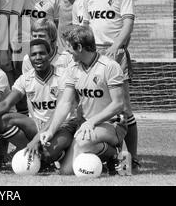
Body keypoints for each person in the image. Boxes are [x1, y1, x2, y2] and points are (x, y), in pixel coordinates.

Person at [0, 38, 77, 171]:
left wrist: (36, 139)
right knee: (4, 119)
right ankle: (28, 152)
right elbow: (6, 103)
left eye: (42, 53)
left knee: (47, 153)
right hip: (37, 125)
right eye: (34, 54)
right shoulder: (26, 79)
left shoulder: (63, 76)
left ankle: (60, 154)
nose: (38, 57)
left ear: (50, 54)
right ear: (29, 57)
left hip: (63, 125)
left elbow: (58, 112)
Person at [37, 25, 127, 175]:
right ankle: (106, 157)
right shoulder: (72, 68)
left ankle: (115, 154)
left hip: (114, 123)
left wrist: (91, 121)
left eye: (69, 48)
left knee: (82, 141)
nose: (67, 52)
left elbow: (118, 104)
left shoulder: (110, 66)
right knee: (66, 171)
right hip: (86, 125)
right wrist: (51, 131)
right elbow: (65, 103)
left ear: (79, 47)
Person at [81, 0, 139, 171]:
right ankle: (111, 154)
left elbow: (127, 24)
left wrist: (114, 48)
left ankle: (131, 158)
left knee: (123, 107)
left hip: (116, 55)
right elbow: (85, 27)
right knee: (96, 106)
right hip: (92, 55)